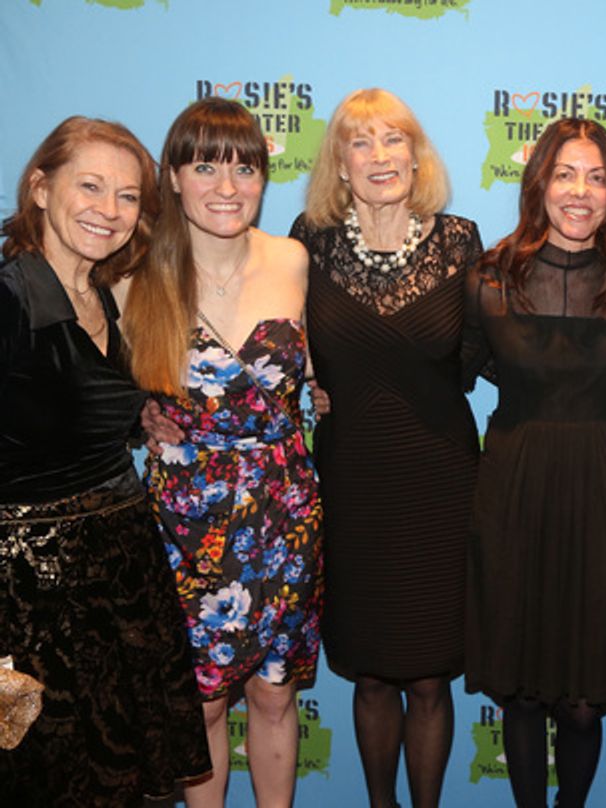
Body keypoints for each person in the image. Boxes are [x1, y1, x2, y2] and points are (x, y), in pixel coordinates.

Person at [0, 117, 210, 805]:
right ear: (39, 188)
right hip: (31, 604)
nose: (108, 210)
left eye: (126, 197)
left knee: (119, 785)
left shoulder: (101, 296)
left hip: (122, 581)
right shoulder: (8, 298)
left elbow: (69, 411)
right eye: (89, 186)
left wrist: (137, 415)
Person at [123, 97, 322, 808]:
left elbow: (324, 371)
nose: (228, 186)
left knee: (274, 693)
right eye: (205, 166)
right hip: (186, 522)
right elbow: (85, 391)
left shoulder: (293, 260)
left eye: (245, 168)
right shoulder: (134, 272)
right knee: (202, 704)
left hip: (284, 511)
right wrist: (135, 414)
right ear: (172, 177)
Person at [288, 88, 481, 808]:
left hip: (440, 481)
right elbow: (271, 331)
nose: (379, 156)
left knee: (431, 675)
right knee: (370, 673)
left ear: (415, 154)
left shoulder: (459, 239)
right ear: (339, 162)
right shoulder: (306, 242)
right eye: (360, 141)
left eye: (393, 139)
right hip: (352, 486)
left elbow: (483, 355)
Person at [462, 118, 606, 808]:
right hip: (514, 493)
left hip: (600, 497)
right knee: (524, 691)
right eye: (566, 174)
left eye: (597, 176)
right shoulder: (489, 278)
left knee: (585, 702)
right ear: (540, 181)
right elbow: (444, 378)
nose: (580, 191)